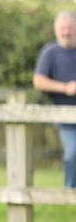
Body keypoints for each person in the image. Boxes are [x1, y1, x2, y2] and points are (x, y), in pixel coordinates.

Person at [32, 11, 76, 190]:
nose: (66, 32)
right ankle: (70, 191)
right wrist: (66, 88)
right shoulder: (50, 53)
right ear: (56, 30)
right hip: (65, 118)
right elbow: (38, 81)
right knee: (72, 153)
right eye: (63, 28)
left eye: (70, 28)